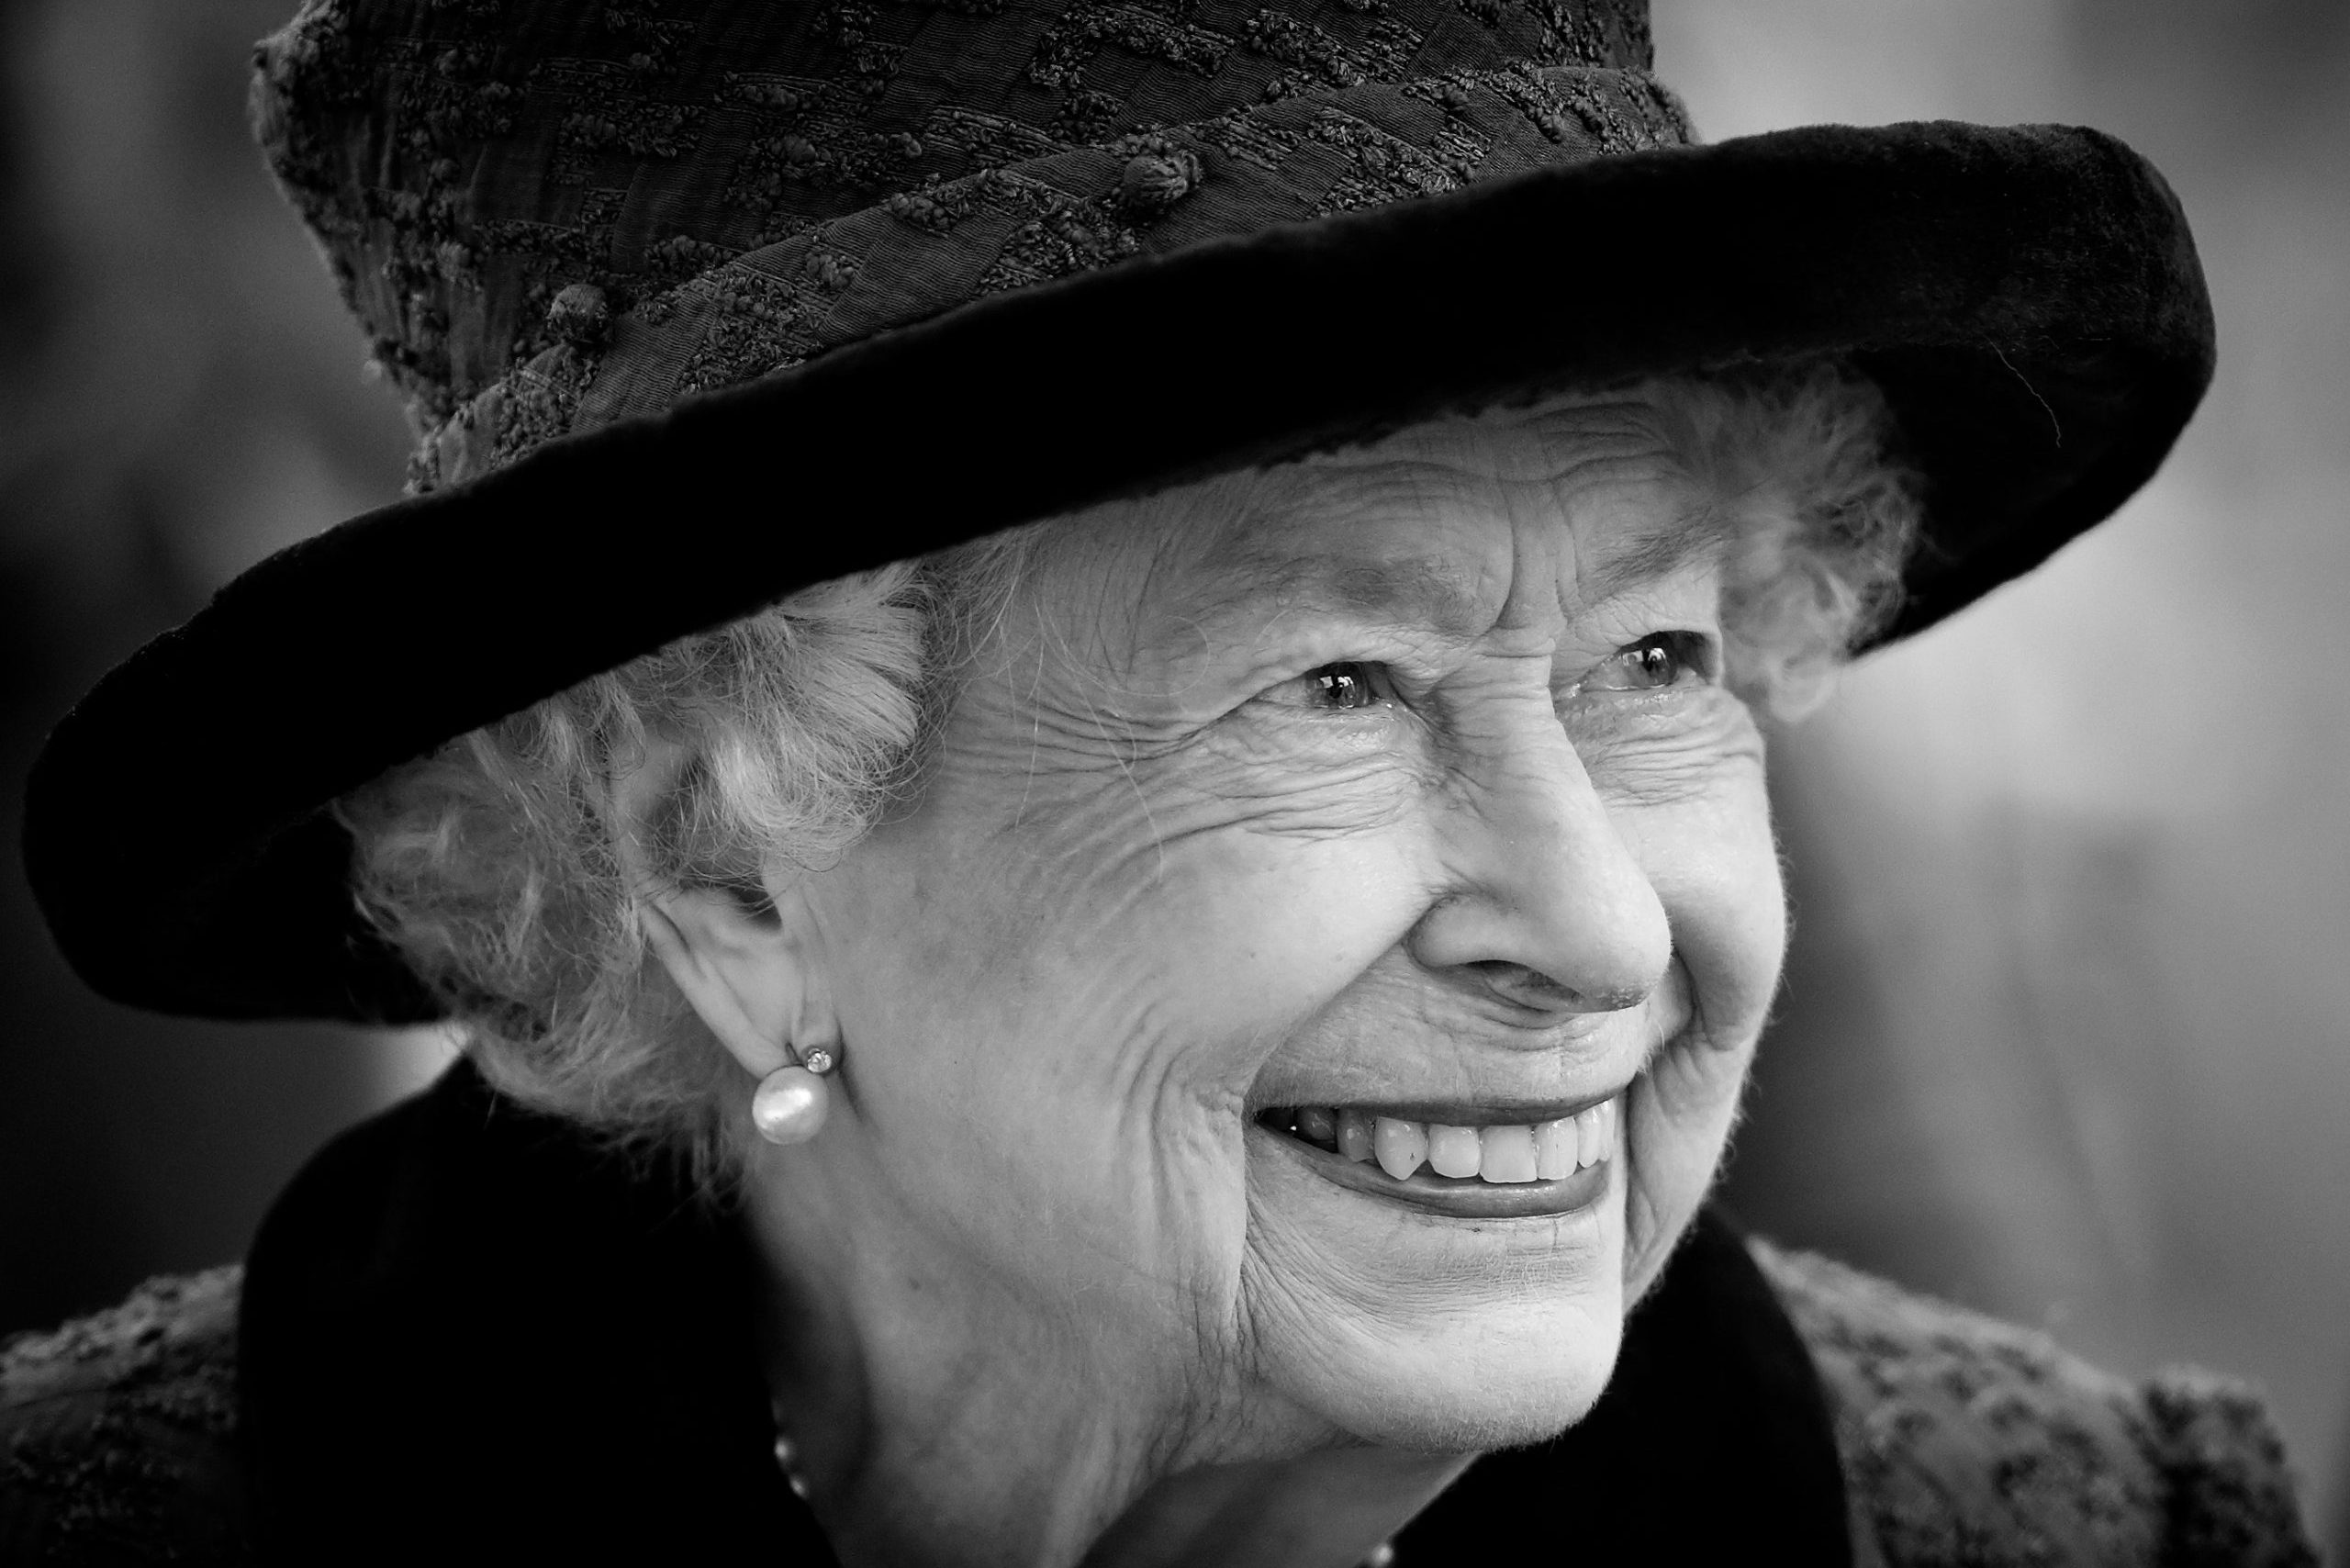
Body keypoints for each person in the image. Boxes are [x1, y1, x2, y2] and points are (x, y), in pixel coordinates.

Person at [1, 0, 2318, 1562]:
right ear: (721, 866)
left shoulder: (2088, 1529)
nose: (1603, 927)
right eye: (1332, 685)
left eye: (1649, 660)